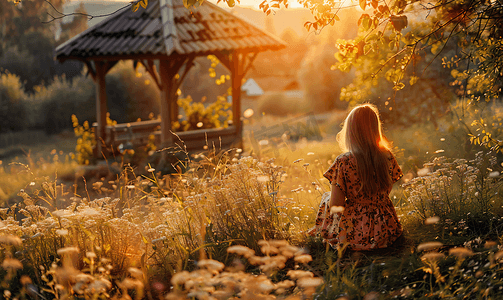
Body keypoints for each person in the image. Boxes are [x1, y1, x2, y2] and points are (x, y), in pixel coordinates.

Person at [308, 104, 403, 251]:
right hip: (387, 229)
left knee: (327, 198)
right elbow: (386, 190)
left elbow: (336, 206)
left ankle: (322, 231)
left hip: (356, 232)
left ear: (350, 131)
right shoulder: (387, 156)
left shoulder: (344, 161)